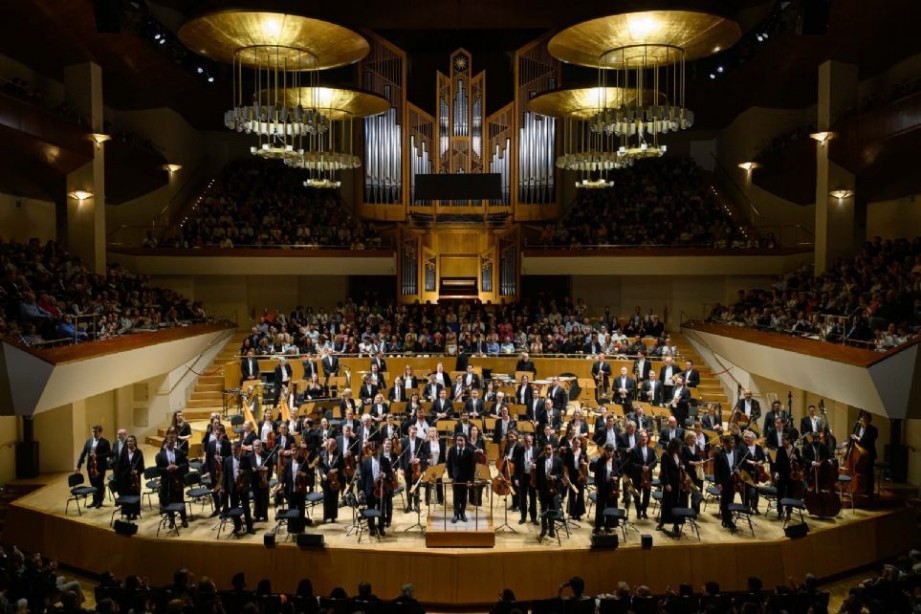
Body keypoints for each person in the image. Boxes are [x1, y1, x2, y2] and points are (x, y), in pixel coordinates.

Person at [156, 435, 189, 529]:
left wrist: (177, 467)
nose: (171, 444)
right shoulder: (160, 455)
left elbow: (186, 464)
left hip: (178, 480)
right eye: (170, 443)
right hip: (167, 481)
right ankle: (171, 520)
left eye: (173, 443)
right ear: (166, 443)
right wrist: (166, 469)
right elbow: (158, 469)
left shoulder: (179, 452)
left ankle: (184, 519)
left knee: (180, 499)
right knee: (169, 501)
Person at [223, 440, 255, 535]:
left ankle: (249, 527)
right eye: (232, 450)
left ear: (239, 449)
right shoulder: (227, 460)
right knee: (234, 507)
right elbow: (225, 476)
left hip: (243, 487)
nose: (233, 452)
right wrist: (225, 488)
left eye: (235, 450)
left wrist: (244, 472)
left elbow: (250, 472)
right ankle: (237, 526)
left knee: (246, 507)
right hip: (233, 488)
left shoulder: (244, 458)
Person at [76, 424, 111, 509]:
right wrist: (78, 466)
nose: (94, 434)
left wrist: (97, 456)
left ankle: (100, 501)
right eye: (93, 432)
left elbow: (108, 453)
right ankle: (94, 501)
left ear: (100, 432)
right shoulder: (88, 441)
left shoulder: (105, 442)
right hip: (90, 466)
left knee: (99, 483)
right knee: (93, 484)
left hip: (100, 466)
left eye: (96, 432)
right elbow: (83, 453)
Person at [361, 442, 393, 536]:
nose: (374, 452)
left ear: (379, 450)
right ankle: (371, 528)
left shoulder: (385, 460)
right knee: (371, 509)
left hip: (381, 489)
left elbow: (390, 474)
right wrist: (362, 490)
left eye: (375, 450)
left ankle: (381, 527)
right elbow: (363, 478)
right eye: (372, 450)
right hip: (370, 490)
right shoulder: (366, 462)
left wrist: (385, 475)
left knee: (381, 509)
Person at [657, 438, 685, 536]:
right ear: (674, 446)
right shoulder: (666, 455)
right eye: (678, 446)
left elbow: (680, 465)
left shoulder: (678, 454)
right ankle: (662, 522)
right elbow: (664, 471)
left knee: (677, 503)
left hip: (678, 483)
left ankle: (676, 524)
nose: (679, 448)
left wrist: (682, 466)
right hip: (670, 483)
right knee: (667, 503)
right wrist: (666, 483)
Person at [536, 442, 563, 540]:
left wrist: (555, 477)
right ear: (544, 450)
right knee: (543, 510)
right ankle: (543, 530)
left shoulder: (558, 460)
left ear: (553, 450)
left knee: (552, 510)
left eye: (549, 449)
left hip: (554, 489)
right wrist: (537, 490)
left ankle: (551, 530)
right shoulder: (540, 460)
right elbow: (538, 476)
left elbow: (561, 474)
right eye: (546, 449)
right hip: (543, 489)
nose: (548, 451)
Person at [447, 433, 475, 523]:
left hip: (465, 478)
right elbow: (449, 464)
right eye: (458, 440)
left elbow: (472, 467)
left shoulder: (470, 451)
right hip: (455, 477)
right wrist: (451, 477)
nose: (459, 442)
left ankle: (462, 513)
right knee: (456, 497)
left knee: (463, 496)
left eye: (461, 440)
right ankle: (455, 514)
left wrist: (470, 480)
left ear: (465, 441)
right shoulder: (452, 450)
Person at [629, 430, 657, 519]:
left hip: (648, 476)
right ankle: (638, 512)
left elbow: (655, 462)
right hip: (637, 475)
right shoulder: (634, 450)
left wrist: (649, 467)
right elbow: (632, 464)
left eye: (645, 437)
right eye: (642, 437)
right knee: (637, 495)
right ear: (639, 439)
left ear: (648, 438)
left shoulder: (651, 450)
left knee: (647, 495)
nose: (643, 438)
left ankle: (644, 510)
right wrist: (641, 467)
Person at [593, 443, 620, 534]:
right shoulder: (600, 461)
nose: (609, 453)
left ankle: (608, 525)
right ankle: (598, 526)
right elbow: (596, 475)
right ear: (605, 451)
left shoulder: (616, 461)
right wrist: (596, 486)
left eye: (611, 452)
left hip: (612, 487)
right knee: (600, 507)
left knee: (610, 506)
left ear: (613, 452)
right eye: (607, 451)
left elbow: (620, 473)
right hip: (602, 486)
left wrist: (617, 477)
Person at [115, 435, 144, 520]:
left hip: (135, 479)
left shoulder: (139, 452)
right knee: (126, 494)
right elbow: (119, 466)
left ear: (134, 442)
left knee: (135, 494)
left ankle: (135, 513)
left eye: (131, 441)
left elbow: (142, 467)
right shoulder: (123, 453)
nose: (129, 443)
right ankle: (127, 513)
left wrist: (137, 471)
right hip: (125, 478)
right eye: (128, 441)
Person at [739, 429, 768, 514]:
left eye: (749, 438)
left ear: (753, 438)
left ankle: (754, 506)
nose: (747, 439)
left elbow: (763, 458)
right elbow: (740, 458)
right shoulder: (742, 446)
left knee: (755, 490)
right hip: (745, 471)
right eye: (746, 438)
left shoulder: (758, 447)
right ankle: (746, 506)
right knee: (745, 490)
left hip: (756, 472)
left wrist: (760, 462)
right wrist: (750, 462)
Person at [851, 412, 878, 498]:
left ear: (869, 420)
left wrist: (857, 438)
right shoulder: (858, 428)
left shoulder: (874, 429)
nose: (862, 420)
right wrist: (848, 441)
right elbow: (852, 436)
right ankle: (861, 488)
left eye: (864, 419)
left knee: (869, 472)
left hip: (869, 454)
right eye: (862, 418)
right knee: (860, 471)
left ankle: (870, 491)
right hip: (859, 454)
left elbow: (868, 440)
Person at [714, 434, 739, 530]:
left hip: (733, 480)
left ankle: (728, 518)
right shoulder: (719, 454)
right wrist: (718, 483)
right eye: (730, 443)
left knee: (731, 499)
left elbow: (737, 464)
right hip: (724, 481)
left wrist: (737, 470)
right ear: (725, 443)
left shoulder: (736, 452)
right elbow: (716, 470)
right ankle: (726, 520)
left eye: (733, 443)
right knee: (724, 501)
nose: (732, 445)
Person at [513, 433, 538, 525]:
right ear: (524, 441)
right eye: (526, 441)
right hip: (522, 476)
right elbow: (516, 466)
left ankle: (533, 518)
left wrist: (536, 466)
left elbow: (540, 464)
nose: (528, 443)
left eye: (529, 441)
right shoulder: (519, 450)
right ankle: (523, 517)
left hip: (532, 477)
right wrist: (516, 478)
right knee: (523, 498)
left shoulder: (536, 450)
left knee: (533, 498)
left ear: (532, 441)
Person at [401, 424, 425, 512]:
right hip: (407, 467)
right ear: (409, 432)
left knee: (417, 486)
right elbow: (401, 456)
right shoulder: (404, 441)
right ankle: (409, 505)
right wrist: (402, 468)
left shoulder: (420, 441)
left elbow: (425, 454)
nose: (413, 434)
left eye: (415, 433)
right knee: (408, 486)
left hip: (417, 468)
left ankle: (416, 505)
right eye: (412, 433)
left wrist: (419, 459)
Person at [563, 435, 587, 521]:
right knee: (572, 494)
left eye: (578, 444)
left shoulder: (583, 451)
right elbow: (565, 466)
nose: (577, 445)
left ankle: (579, 513)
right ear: (572, 443)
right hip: (572, 475)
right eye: (575, 443)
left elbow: (587, 462)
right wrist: (566, 476)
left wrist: (584, 462)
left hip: (580, 475)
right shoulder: (568, 452)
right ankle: (572, 513)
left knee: (580, 494)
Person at [319, 437, 342, 523]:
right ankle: (325, 517)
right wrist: (322, 474)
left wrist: (336, 470)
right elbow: (320, 466)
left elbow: (342, 467)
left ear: (335, 446)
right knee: (326, 498)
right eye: (330, 445)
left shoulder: (339, 454)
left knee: (334, 498)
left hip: (335, 480)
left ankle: (333, 517)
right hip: (325, 479)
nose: (331, 447)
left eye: (333, 446)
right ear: (327, 445)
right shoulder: (322, 454)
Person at [248, 439, 272, 522]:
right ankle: (257, 516)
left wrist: (267, 469)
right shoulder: (249, 456)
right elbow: (248, 469)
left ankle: (265, 515)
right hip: (254, 480)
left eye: (259, 445)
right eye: (256, 446)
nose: (257, 447)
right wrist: (252, 469)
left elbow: (271, 467)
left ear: (261, 446)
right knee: (257, 498)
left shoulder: (266, 455)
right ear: (253, 447)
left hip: (264, 479)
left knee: (264, 499)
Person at [422, 428, 445, 506]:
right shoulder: (425, 443)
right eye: (430, 431)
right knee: (428, 483)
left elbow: (443, 456)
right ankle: (427, 500)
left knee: (439, 482)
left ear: (436, 433)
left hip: (438, 465)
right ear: (428, 433)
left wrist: (444, 467)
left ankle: (440, 499)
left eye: (434, 431)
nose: (432, 432)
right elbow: (423, 456)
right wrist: (426, 460)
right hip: (429, 466)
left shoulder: (441, 443)